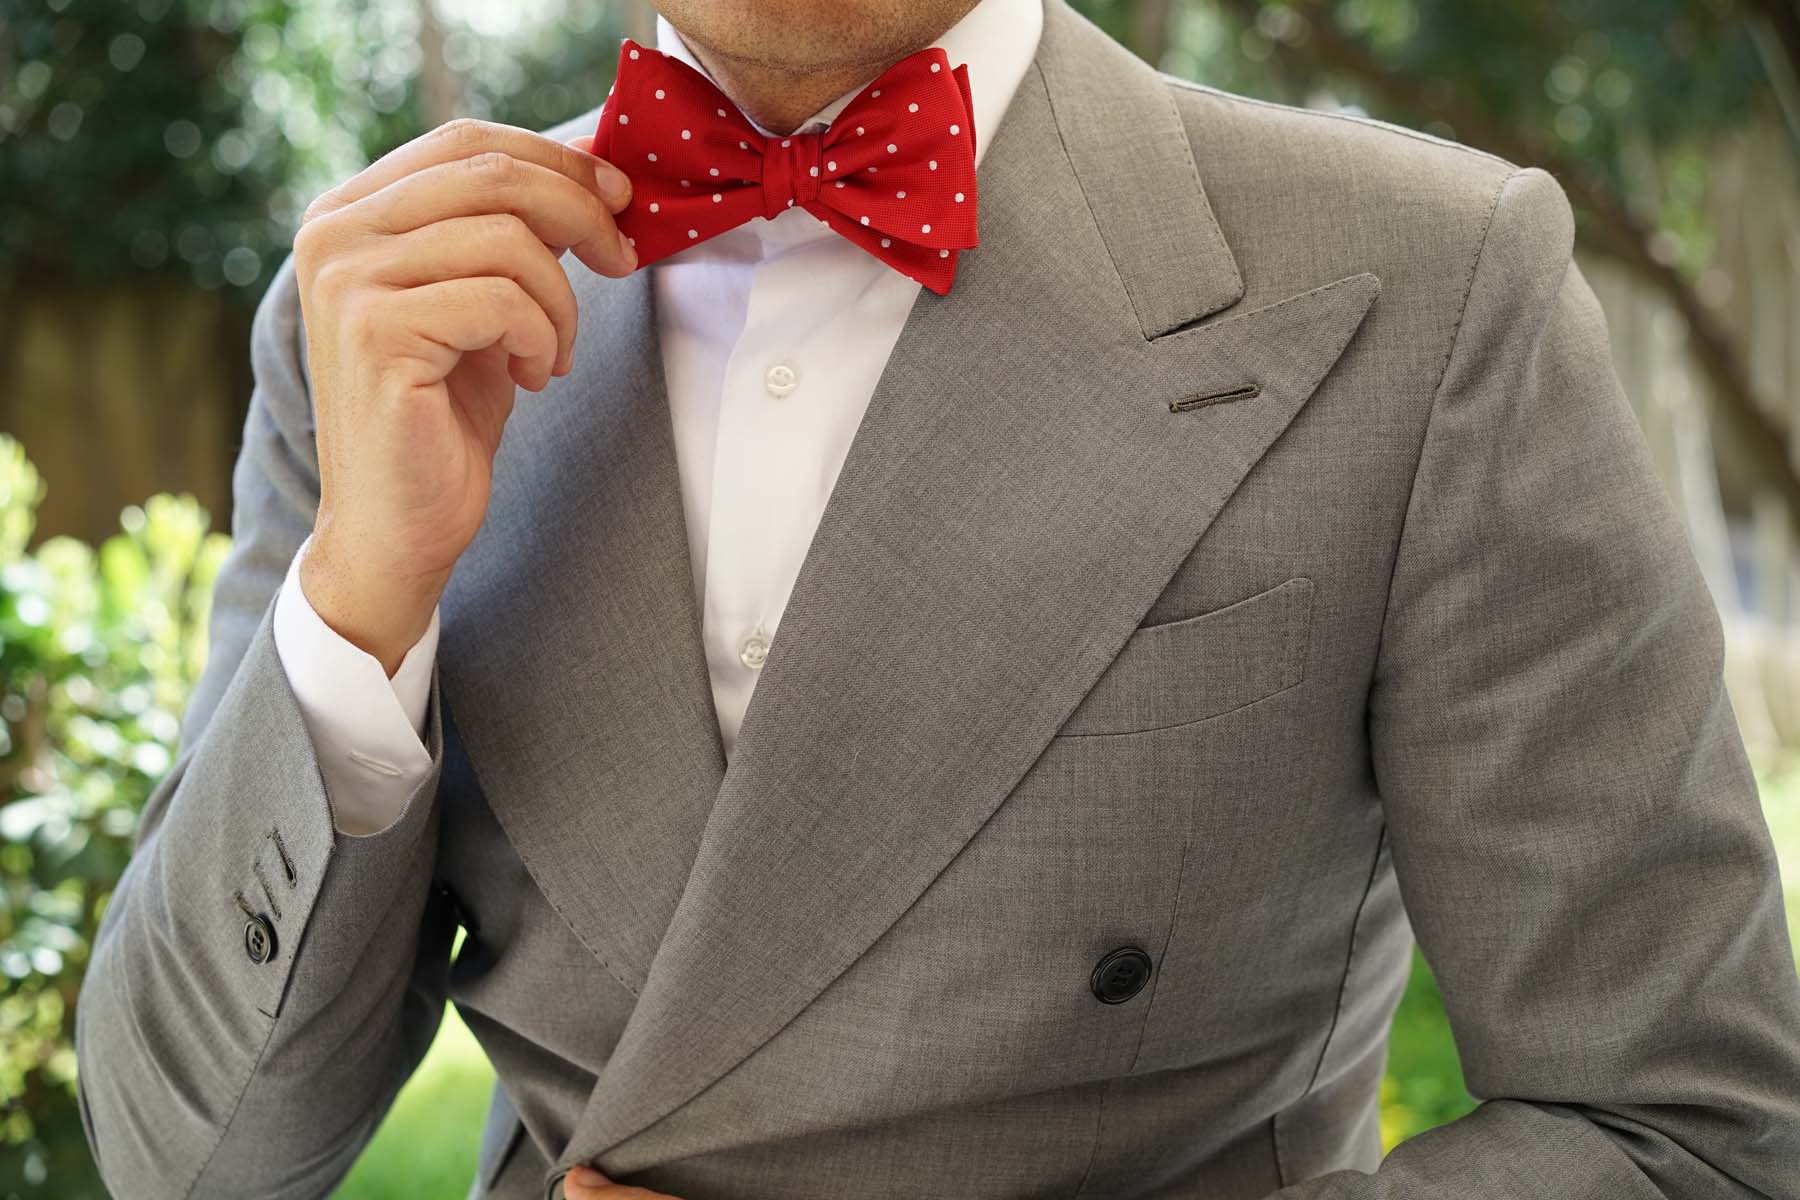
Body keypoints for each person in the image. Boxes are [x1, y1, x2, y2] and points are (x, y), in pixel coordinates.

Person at [73, 0, 1800, 1196]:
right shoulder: (391, 309)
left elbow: (1683, 1134)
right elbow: (193, 1159)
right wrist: (363, 601)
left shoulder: (1428, 288)